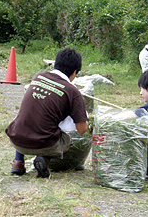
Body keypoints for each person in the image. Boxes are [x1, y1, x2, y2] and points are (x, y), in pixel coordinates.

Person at [6, 48, 88, 178]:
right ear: (74, 72)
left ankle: (18, 162)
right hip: (42, 144)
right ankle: (44, 159)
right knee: (66, 140)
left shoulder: (38, 76)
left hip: (16, 138)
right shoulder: (73, 92)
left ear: (55, 64)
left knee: (30, 118)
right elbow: (82, 129)